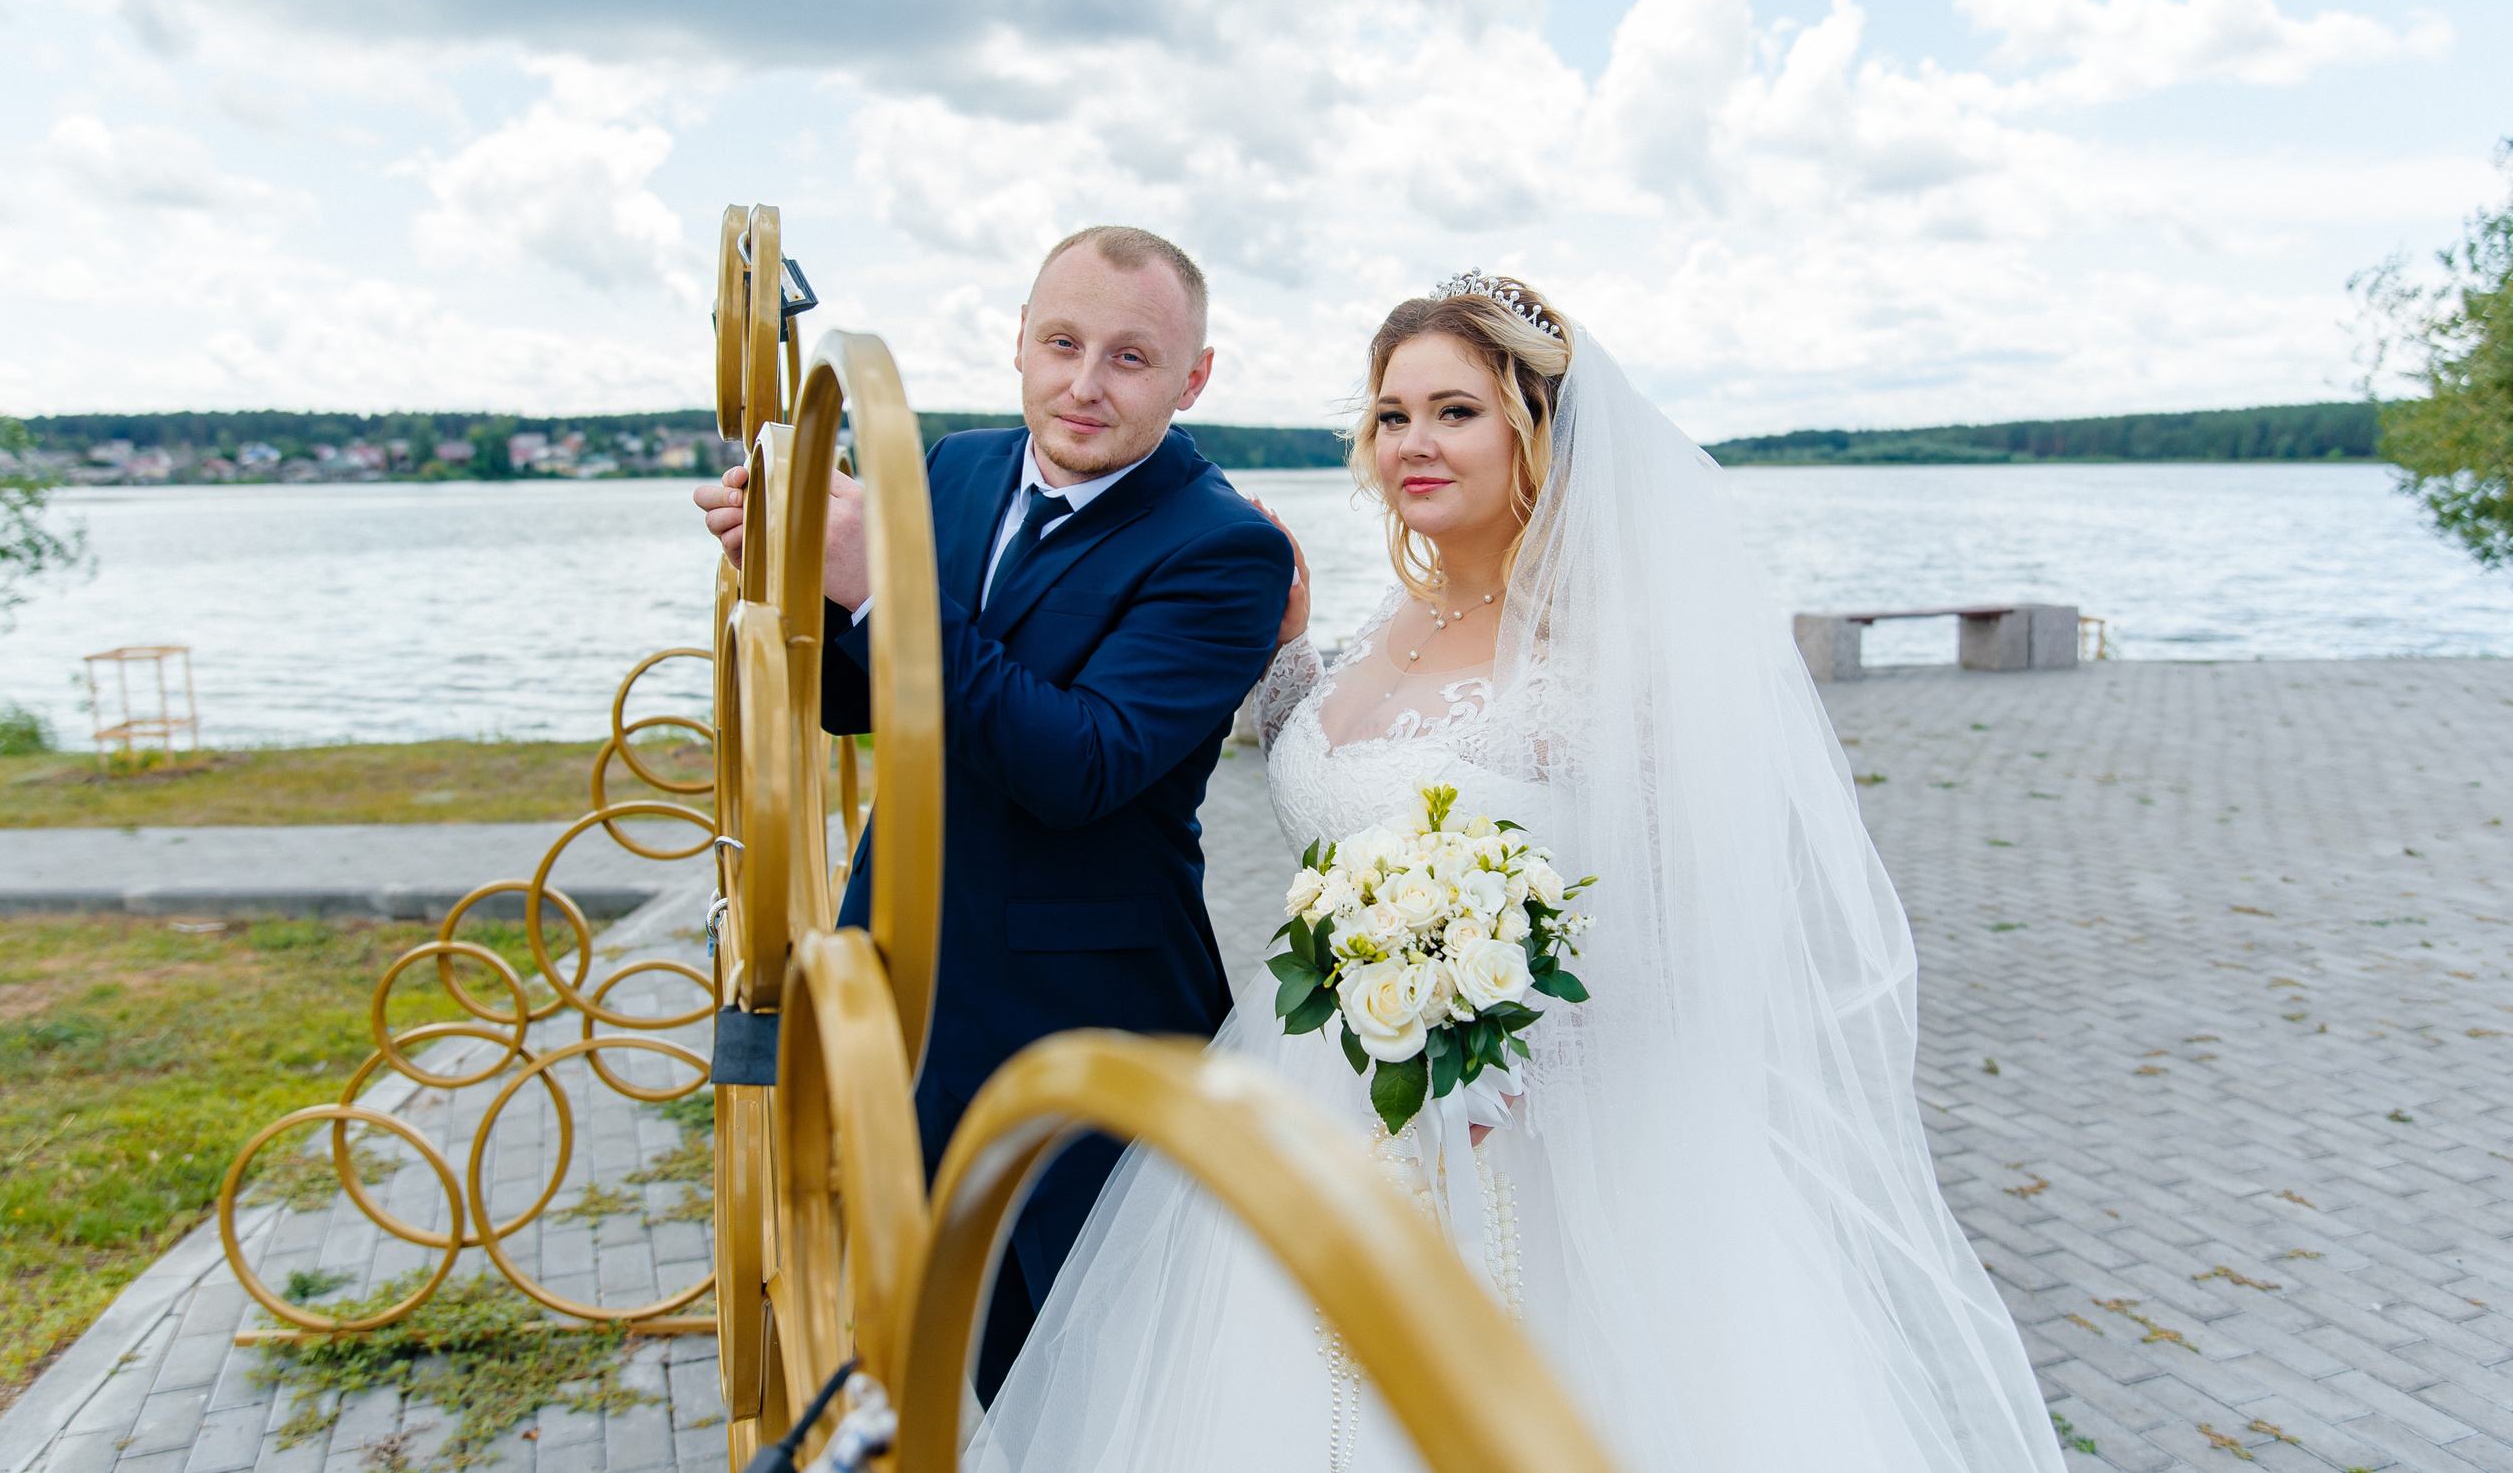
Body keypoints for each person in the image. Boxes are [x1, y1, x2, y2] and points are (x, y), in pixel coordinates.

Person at [968, 275, 2065, 1471]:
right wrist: (1287, 653)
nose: (1412, 444)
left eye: (1455, 412)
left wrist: (1507, 1063)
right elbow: (1332, 789)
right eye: (1391, 415)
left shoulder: (1612, 654)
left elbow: (1687, 913)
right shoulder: (1394, 621)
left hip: (1528, 1133)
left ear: (1537, 432)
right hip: (1325, 1099)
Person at [691, 226, 1296, 1404]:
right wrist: (797, 568)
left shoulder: (1226, 548)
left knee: (1110, 1388)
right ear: (1018, 340)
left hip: (1092, 1034)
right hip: (906, 992)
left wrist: (882, 587)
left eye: (1130, 356)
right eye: (1062, 342)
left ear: (1194, 378)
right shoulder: (954, 469)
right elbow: (863, 699)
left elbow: (1081, 763)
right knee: (963, 1359)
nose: (1085, 382)